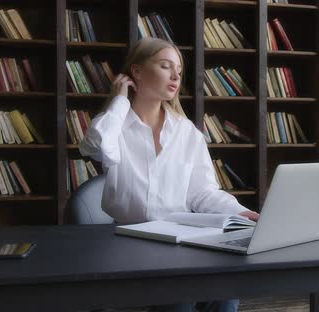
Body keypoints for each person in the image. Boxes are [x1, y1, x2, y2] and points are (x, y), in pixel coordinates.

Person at [79, 37, 259, 312]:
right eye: (165, 66)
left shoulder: (187, 132)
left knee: (226, 290)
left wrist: (242, 213)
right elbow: (99, 147)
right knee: (180, 298)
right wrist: (119, 101)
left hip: (179, 243)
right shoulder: (114, 125)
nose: (176, 75)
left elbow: (202, 193)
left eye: (178, 69)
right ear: (136, 72)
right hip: (127, 242)